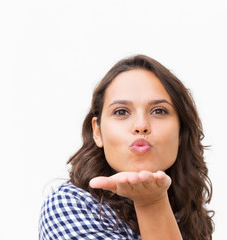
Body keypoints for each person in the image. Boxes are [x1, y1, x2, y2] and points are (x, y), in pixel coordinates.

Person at [39, 55, 214, 239]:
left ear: (180, 132)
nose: (141, 125)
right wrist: (151, 203)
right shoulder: (68, 205)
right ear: (97, 132)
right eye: (121, 112)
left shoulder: (186, 211)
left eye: (159, 111)